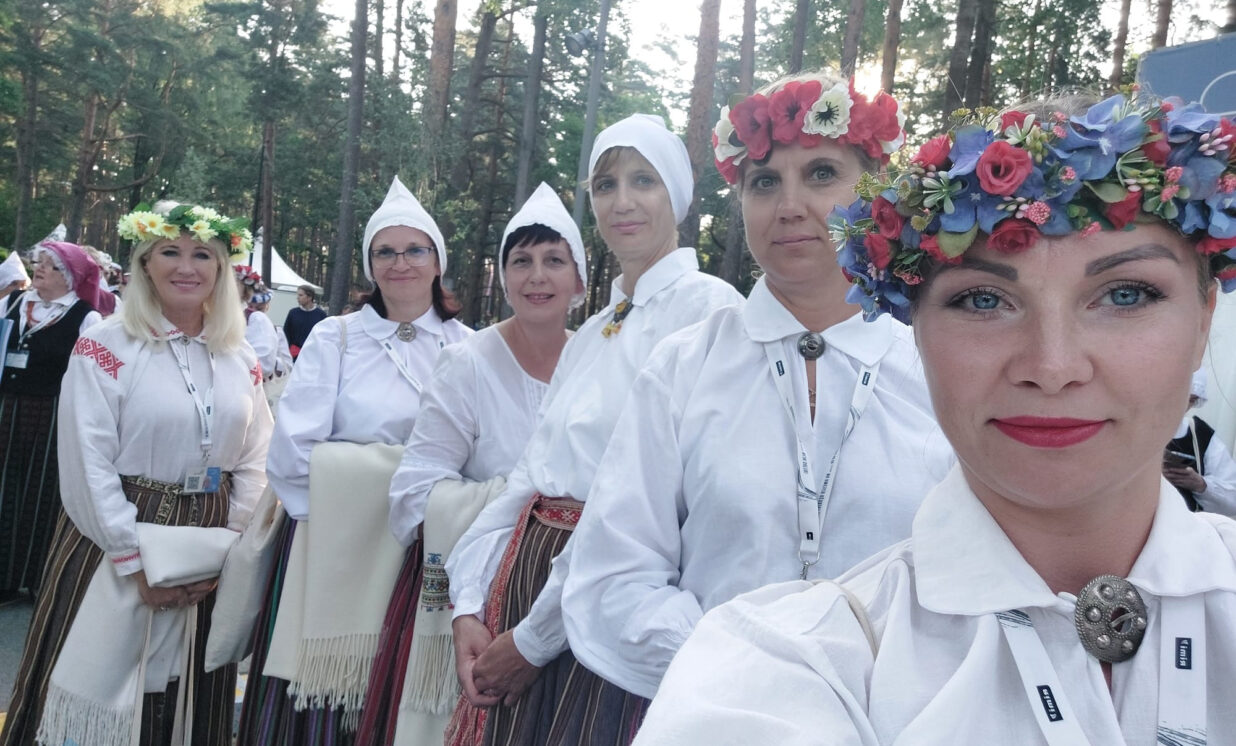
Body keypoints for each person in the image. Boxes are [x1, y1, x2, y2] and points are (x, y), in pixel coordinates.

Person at [634, 94, 1236, 745]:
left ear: (1204, 319)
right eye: (983, 300)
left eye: (1125, 294)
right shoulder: (786, 661)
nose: (1053, 367)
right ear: (913, 329)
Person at [560, 73, 954, 702]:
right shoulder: (684, 367)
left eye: (821, 174)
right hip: (714, 712)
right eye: (765, 182)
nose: (789, 205)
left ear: (874, 191)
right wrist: (745, 676)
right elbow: (614, 574)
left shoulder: (939, 366)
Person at [444, 114, 744, 746]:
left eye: (644, 181)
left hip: (609, 608)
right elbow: (530, 475)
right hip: (523, 585)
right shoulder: (597, 330)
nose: (622, 201)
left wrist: (535, 640)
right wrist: (468, 600)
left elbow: (643, 507)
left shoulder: (710, 312)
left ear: (678, 195)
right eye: (606, 185)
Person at [0, 202, 272, 746]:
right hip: (114, 532)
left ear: (222, 268)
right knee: (94, 687)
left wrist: (230, 547)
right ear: (146, 262)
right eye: (170, 251)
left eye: (203, 255)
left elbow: (256, 455)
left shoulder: (239, 355)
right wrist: (131, 557)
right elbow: (88, 460)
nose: (187, 267)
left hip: (210, 536)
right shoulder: (106, 344)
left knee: (188, 693)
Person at [237, 176, 471, 746]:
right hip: (330, 538)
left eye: (414, 250)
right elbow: (294, 448)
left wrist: (430, 512)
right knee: (322, 692)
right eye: (385, 252)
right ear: (370, 265)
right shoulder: (336, 338)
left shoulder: (469, 346)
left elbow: (480, 451)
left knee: (401, 686)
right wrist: (345, 516)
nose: (400, 263)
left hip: (427, 544)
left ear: (437, 260)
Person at [356, 182, 588, 745]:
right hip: (476, 597)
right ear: (502, 277)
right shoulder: (468, 364)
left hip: (574, 593)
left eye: (554, 260)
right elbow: (414, 494)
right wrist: (519, 513)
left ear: (580, 280)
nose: (537, 276)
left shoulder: (599, 361)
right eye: (521, 261)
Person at [0, 242, 104, 598]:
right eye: (39, 262)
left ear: (71, 278)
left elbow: (94, 375)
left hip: (52, 414)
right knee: (3, 487)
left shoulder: (85, 318)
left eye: (51, 265)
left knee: (40, 492)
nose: (40, 268)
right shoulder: (14, 302)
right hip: (7, 408)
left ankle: (33, 577)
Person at [1164, 369, 1236, 515]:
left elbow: (1232, 500)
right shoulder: (1133, 426)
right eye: (1180, 397)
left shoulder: (1200, 434)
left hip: (1183, 523)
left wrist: (1201, 485)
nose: (1184, 405)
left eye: (1191, 399)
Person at [235, 265, 279, 378]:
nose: (252, 311)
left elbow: (263, 365)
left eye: (259, 308)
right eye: (250, 307)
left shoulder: (259, 320)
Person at [284, 284, 327, 359]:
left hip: (313, 355)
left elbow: (324, 336)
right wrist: (290, 348)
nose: (297, 298)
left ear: (309, 297)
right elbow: (286, 333)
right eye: (298, 295)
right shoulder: (293, 313)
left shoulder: (321, 315)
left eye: (301, 295)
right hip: (294, 355)